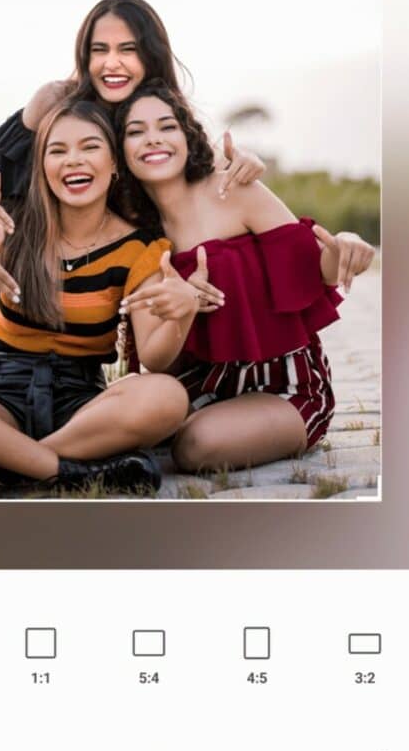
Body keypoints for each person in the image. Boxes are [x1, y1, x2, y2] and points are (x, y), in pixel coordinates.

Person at [0, 99, 198, 497]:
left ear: (115, 163)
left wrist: (181, 314)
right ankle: (58, 470)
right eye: (57, 151)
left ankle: (3, 464)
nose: (73, 161)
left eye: (90, 147)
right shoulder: (11, 223)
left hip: (80, 411)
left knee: (167, 396)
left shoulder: (139, 248)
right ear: (41, 167)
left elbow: (154, 357)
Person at [0, 0, 264, 362]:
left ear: (150, 54)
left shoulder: (160, 106)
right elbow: (3, 177)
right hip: (25, 237)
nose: (112, 63)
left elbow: (195, 165)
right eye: (99, 50)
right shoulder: (57, 99)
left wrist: (244, 159)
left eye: (128, 49)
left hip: (119, 244)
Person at [113, 80, 376, 473]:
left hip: (285, 386)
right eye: (136, 132)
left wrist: (345, 245)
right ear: (120, 151)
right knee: (119, 409)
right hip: (201, 387)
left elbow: (315, 266)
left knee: (195, 446)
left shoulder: (233, 190)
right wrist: (182, 307)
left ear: (187, 135)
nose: (154, 139)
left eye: (167, 126)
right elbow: (158, 362)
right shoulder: (134, 234)